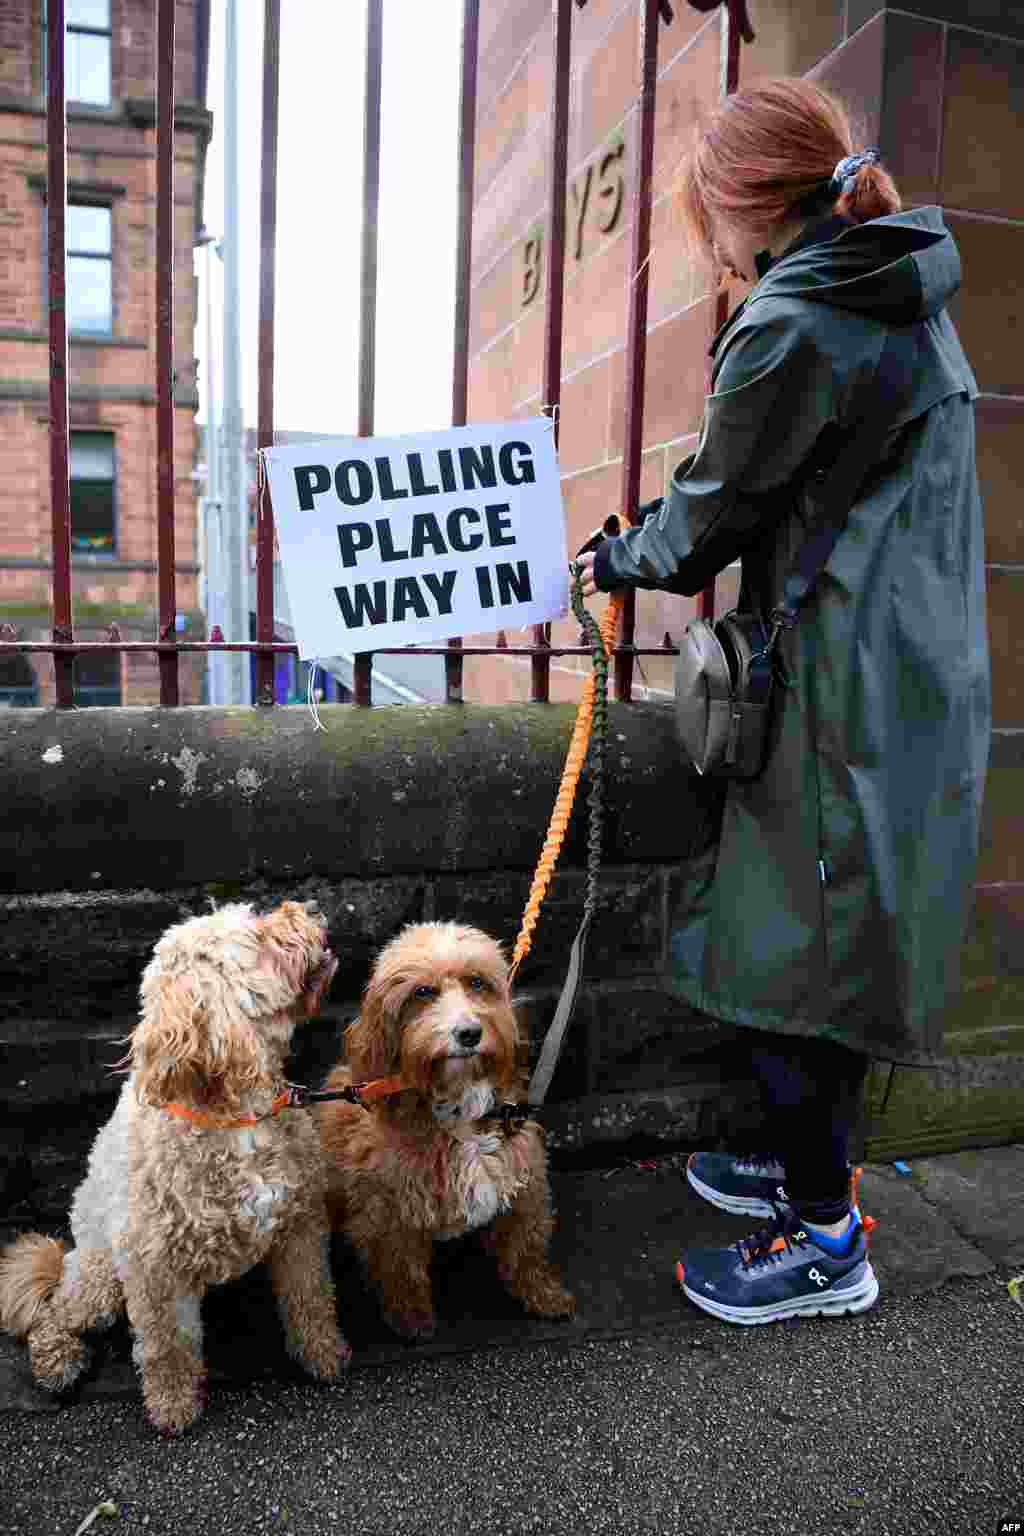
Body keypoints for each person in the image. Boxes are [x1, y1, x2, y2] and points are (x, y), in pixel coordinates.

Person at [574, 77, 991, 1325]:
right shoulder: (899, 280)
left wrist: (618, 554)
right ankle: (798, 1167)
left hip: (837, 683)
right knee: (835, 939)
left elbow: (708, 515)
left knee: (782, 951)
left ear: (745, 205)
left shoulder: (798, 313)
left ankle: (824, 1242)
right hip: (909, 672)